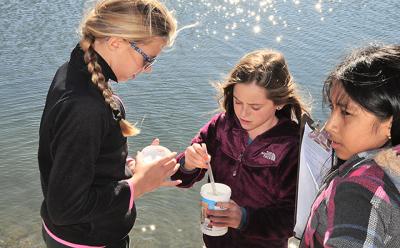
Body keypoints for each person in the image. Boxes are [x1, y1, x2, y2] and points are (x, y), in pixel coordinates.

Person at [37, 0, 181, 247]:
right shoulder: (85, 106)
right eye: (148, 59)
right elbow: (65, 209)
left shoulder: (74, 72)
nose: (148, 70)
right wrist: (137, 185)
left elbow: (73, 158)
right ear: (116, 43)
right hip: (85, 240)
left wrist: (126, 166)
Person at [171, 49, 309, 247]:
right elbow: (180, 178)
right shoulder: (221, 126)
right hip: (213, 240)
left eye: (255, 107)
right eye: (237, 102)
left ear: (279, 103)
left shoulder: (292, 147)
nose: (243, 113)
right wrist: (188, 164)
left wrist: (244, 218)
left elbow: (294, 220)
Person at [300, 45, 400, 247]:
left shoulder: (360, 188)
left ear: (390, 122)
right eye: (332, 108)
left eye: (346, 113)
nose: (329, 126)